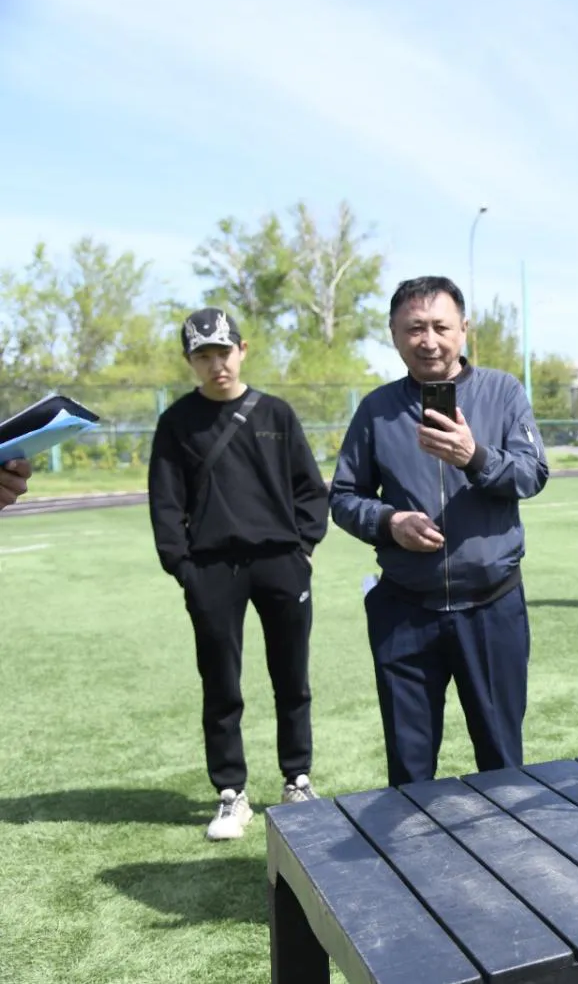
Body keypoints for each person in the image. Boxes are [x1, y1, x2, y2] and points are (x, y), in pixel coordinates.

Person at [329, 276, 549, 787]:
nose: (428, 340)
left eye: (440, 326)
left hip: (492, 608)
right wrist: (389, 522)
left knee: (502, 761)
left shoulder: (502, 391)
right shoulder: (376, 409)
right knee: (409, 766)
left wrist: (474, 457)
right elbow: (342, 497)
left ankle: (507, 859)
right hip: (405, 610)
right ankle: (408, 863)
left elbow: (531, 474)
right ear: (393, 334)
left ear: (463, 329)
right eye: (414, 328)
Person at [147, 307, 329, 840]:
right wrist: (183, 568)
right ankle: (232, 794)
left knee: (291, 677)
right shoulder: (177, 423)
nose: (215, 365)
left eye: (222, 352)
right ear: (190, 362)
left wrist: (305, 549)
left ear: (242, 350)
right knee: (221, 683)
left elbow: (309, 488)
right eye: (202, 356)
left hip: (280, 563)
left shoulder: (276, 414)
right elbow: (164, 501)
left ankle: (297, 779)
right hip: (211, 568)